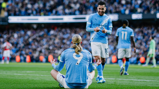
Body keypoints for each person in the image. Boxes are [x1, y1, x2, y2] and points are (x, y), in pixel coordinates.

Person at [86, 1, 112, 83]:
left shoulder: (108, 18)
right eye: (99, 8)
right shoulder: (91, 17)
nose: (101, 10)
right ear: (97, 8)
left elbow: (110, 31)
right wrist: (94, 29)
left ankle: (99, 75)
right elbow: (87, 28)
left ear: (105, 9)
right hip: (94, 40)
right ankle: (101, 77)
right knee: (97, 58)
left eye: (102, 9)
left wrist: (106, 31)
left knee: (103, 60)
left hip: (104, 41)